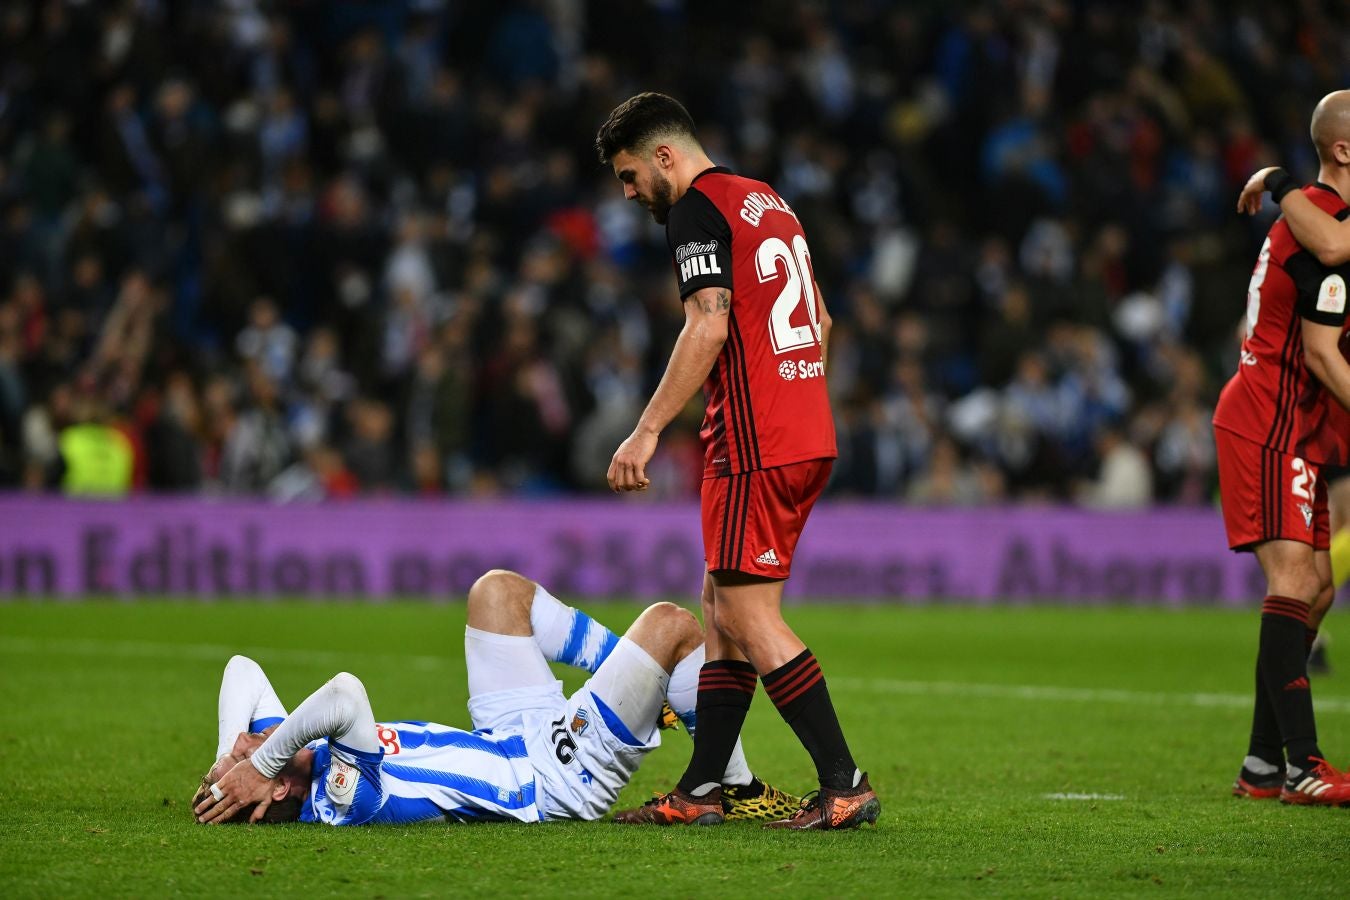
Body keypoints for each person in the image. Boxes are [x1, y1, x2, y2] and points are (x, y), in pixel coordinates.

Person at [594, 92, 877, 830]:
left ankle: (844, 782)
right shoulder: (765, 200)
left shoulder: (696, 207)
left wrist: (648, 430)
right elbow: (820, 319)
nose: (629, 195)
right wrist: (802, 394)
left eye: (630, 176)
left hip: (757, 441)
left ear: (664, 156)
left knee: (747, 616)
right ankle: (701, 791)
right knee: (720, 608)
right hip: (801, 427)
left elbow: (708, 322)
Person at [192, 569, 798, 825]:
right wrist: (259, 761)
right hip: (548, 777)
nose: (252, 735)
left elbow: (241, 670)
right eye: (251, 750)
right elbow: (345, 696)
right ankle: (733, 786)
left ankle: (650, 684)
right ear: (275, 788)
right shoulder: (341, 796)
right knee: (672, 625)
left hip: (504, 734)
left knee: (496, 592)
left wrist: (229, 760)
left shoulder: (282, 760)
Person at [1217, 90, 1350, 806]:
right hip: (1268, 415)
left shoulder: (1326, 216)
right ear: (1344, 150)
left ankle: (1265, 764)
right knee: (1295, 582)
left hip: (1296, 422)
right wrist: (1282, 186)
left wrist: (1275, 183)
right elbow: (1323, 355)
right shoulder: (1323, 223)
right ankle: (1303, 765)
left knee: (1319, 588)